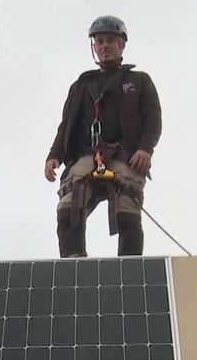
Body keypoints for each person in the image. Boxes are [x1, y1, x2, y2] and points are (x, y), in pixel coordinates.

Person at [44, 16, 162, 257]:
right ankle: (73, 260)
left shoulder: (139, 81)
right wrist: (54, 156)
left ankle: (129, 265)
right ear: (94, 46)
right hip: (88, 155)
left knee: (127, 204)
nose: (104, 46)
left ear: (122, 45)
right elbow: (66, 125)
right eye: (99, 42)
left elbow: (153, 119)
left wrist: (145, 149)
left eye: (110, 41)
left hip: (125, 155)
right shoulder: (81, 85)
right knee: (68, 203)